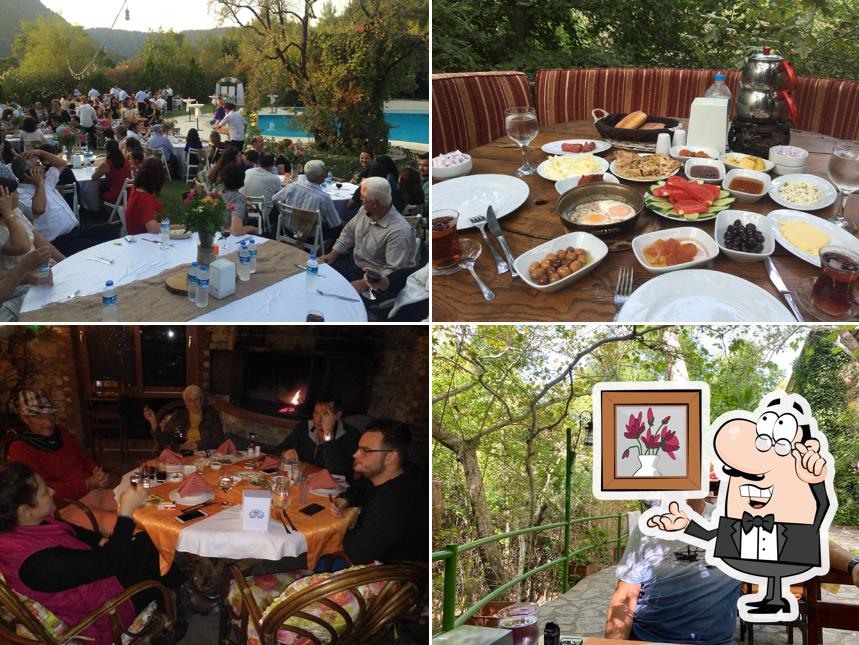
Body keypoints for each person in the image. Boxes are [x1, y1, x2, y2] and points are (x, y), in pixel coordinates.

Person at [0, 462, 220, 645]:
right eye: (43, 491)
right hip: (101, 612)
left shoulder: (27, 527)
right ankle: (169, 621)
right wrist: (125, 512)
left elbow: (72, 532)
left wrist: (100, 540)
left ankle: (186, 591)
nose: (52, 491)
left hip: (89, 578)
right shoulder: (36, 564)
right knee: (153, 577)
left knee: (144, 541)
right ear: (25, 511)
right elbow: (111, 563)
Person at [607, 499, 859, 644]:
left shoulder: (730, 521)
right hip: (648, 639)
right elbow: (625, 595)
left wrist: (853, 565)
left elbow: (808, 542)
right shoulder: (651, 525)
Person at [7, 391, 118, 536]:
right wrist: (86, 484)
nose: (48, 422)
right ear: (25, 418)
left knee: (144, 505)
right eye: (39, 417)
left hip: (92, 493)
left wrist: (96, 472)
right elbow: (45, 490)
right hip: (65, 506)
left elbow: (83, 456)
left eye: (51, 415)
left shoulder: (61, 433)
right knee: (124, 527)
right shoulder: (20, 448)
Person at [328, 419, 426, 566]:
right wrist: (345, 499)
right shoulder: (396, 471)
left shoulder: (396, 501)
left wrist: (347, 527)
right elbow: (360, 488)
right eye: (358, 448)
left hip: (384, 574)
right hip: (371, 556)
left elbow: (358, 553)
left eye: (365, 451)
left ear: (390, 457)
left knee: (310, 555)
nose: (355, 455)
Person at [12, 150, 118, 256]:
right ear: (28, 174)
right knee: (97, 249)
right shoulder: (21, 194)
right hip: (58, 241)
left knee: (110, 231)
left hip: (76, 231)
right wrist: (39, 184)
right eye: (38, 164)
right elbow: (39, 209)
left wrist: (41, 153)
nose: (43, 166)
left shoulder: (47, 181)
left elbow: (62, 163)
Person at [319, 176, 416, 290]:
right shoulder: (365, 211)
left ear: (374, 203)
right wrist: (333, 254)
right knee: (319, 278)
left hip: (374, 280)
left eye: (363, 197)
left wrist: (364, 284)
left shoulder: (399, 232)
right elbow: (348, 233)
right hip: (352, 265)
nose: (360, 198)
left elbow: (395, 272)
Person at [267, 395, 360, 480]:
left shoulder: (351, 435)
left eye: (325, 414)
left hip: (331, 489)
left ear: (337, 415)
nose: (318, 419)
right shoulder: (304, 427)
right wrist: (285, 453)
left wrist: (328, 434)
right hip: (303, 481)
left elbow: (338, 472)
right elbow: (278, 449)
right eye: (316, 413)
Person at [271, 159, 341, 240]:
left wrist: (287, 214)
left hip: (288, 231)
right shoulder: (324, 198)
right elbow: (335, 223)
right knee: (339, 229)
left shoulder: (292, 186)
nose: (326, 174)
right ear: (319, 177)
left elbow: (275, 199)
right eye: (324, 172)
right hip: (310, 237)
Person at [143, 385, 225, 452]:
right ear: (185, 402)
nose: (194, 403)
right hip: (183, 455)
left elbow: (219, 440)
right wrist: (153, 422)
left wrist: (197, 444)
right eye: (190, 400)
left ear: (201, 400)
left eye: (197, 399)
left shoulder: (211, 415)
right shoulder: (178, 415)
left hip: (206, 454)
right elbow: (163, 440)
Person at [125, 158, 166, 235]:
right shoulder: (146, 199)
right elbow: (152, 228)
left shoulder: (136, 188)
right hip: (144, 240)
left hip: (136, 235)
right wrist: (177, 227)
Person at [241, 152, 282, 226]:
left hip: (244, 207)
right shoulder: (275, 179)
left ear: (259, 162)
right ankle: (272, 230)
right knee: (278, 207)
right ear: (273, 164)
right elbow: (279, 197)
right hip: (263, 211)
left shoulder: (248, 172)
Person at [90, 139, 131, 205]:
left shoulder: (107, 163)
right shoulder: (126, 160)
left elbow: (93, 177)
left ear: (107, 150)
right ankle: (114, 211)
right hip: (128, 193)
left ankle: (109, 210)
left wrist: (98, 169)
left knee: (101, 188)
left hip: (116, 195)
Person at [221, 162, 258, 236]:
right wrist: (252, 228)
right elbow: (236, 230)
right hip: (230, 239)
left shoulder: (219, 192)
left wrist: (244, 202)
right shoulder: (238, 198)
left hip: (216, 236)